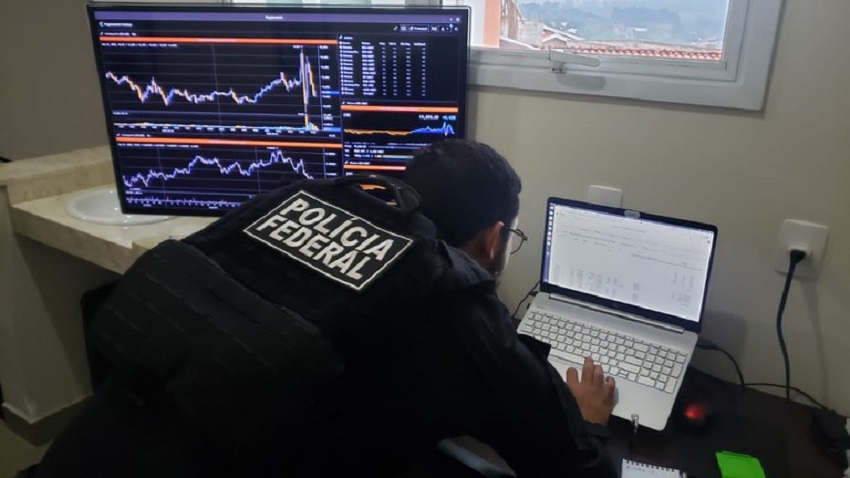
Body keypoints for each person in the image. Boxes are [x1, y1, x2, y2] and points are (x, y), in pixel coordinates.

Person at [33, 139, 616, 478]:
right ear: (493, 239)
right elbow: (570, 469)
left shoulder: (291, 201)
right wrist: (587, 418)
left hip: (84, 452)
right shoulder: (454, 302)